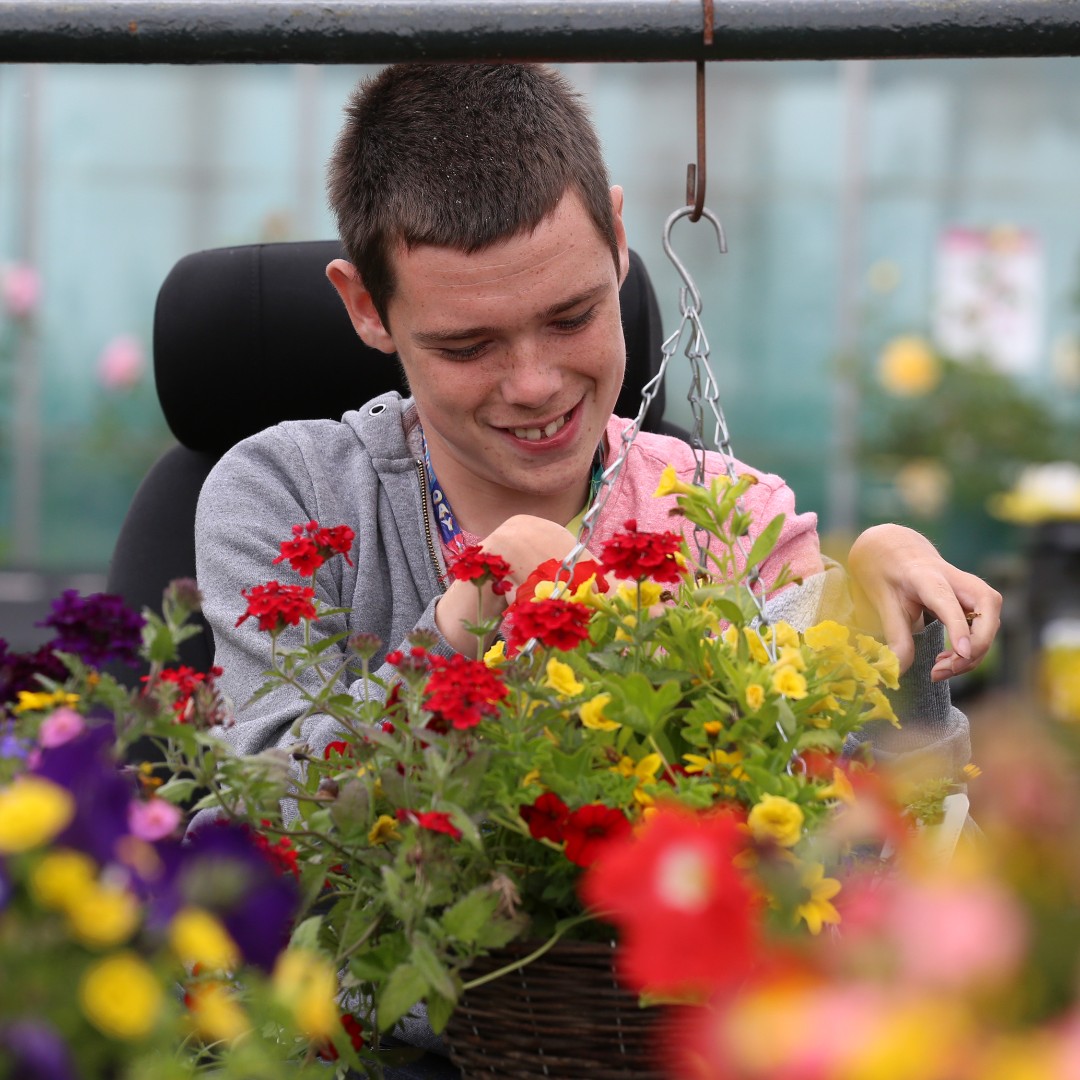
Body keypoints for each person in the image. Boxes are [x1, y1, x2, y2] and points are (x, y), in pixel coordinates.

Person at [194, 62, 999, 1077]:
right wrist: (465, 629)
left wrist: (897, 644)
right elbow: (264, 820)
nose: (535, 384)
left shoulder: (731, 518)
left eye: (572, 317)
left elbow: (887, 868)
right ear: (365, 307)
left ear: (620, 240)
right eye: (468, 343)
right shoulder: (287, 495)